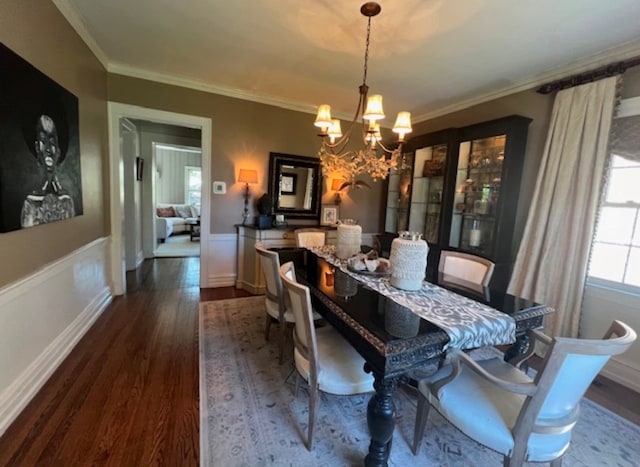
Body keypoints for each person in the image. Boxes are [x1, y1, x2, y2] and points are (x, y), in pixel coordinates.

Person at [21, 114, 75, 227]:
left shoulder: (67, 200)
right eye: (43, 141)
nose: (48, 149)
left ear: (58, 152)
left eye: (52, 143)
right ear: (37, 148)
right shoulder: (31, 202)